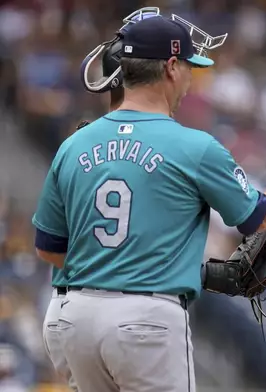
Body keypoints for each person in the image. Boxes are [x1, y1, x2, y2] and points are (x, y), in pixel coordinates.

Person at [31, 15, 266, 392]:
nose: (191, 78)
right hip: (144, 319)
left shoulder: (73, 145)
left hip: (71, 319)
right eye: (190, 68)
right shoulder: (193, 147)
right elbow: (259, 216)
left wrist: (111, 275)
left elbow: (48, 249)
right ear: (171, 67)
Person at [40, 7, 159, 391]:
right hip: (122, 311)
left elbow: (49, 245)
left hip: (65, 309)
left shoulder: (76, 145)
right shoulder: (167, 148)